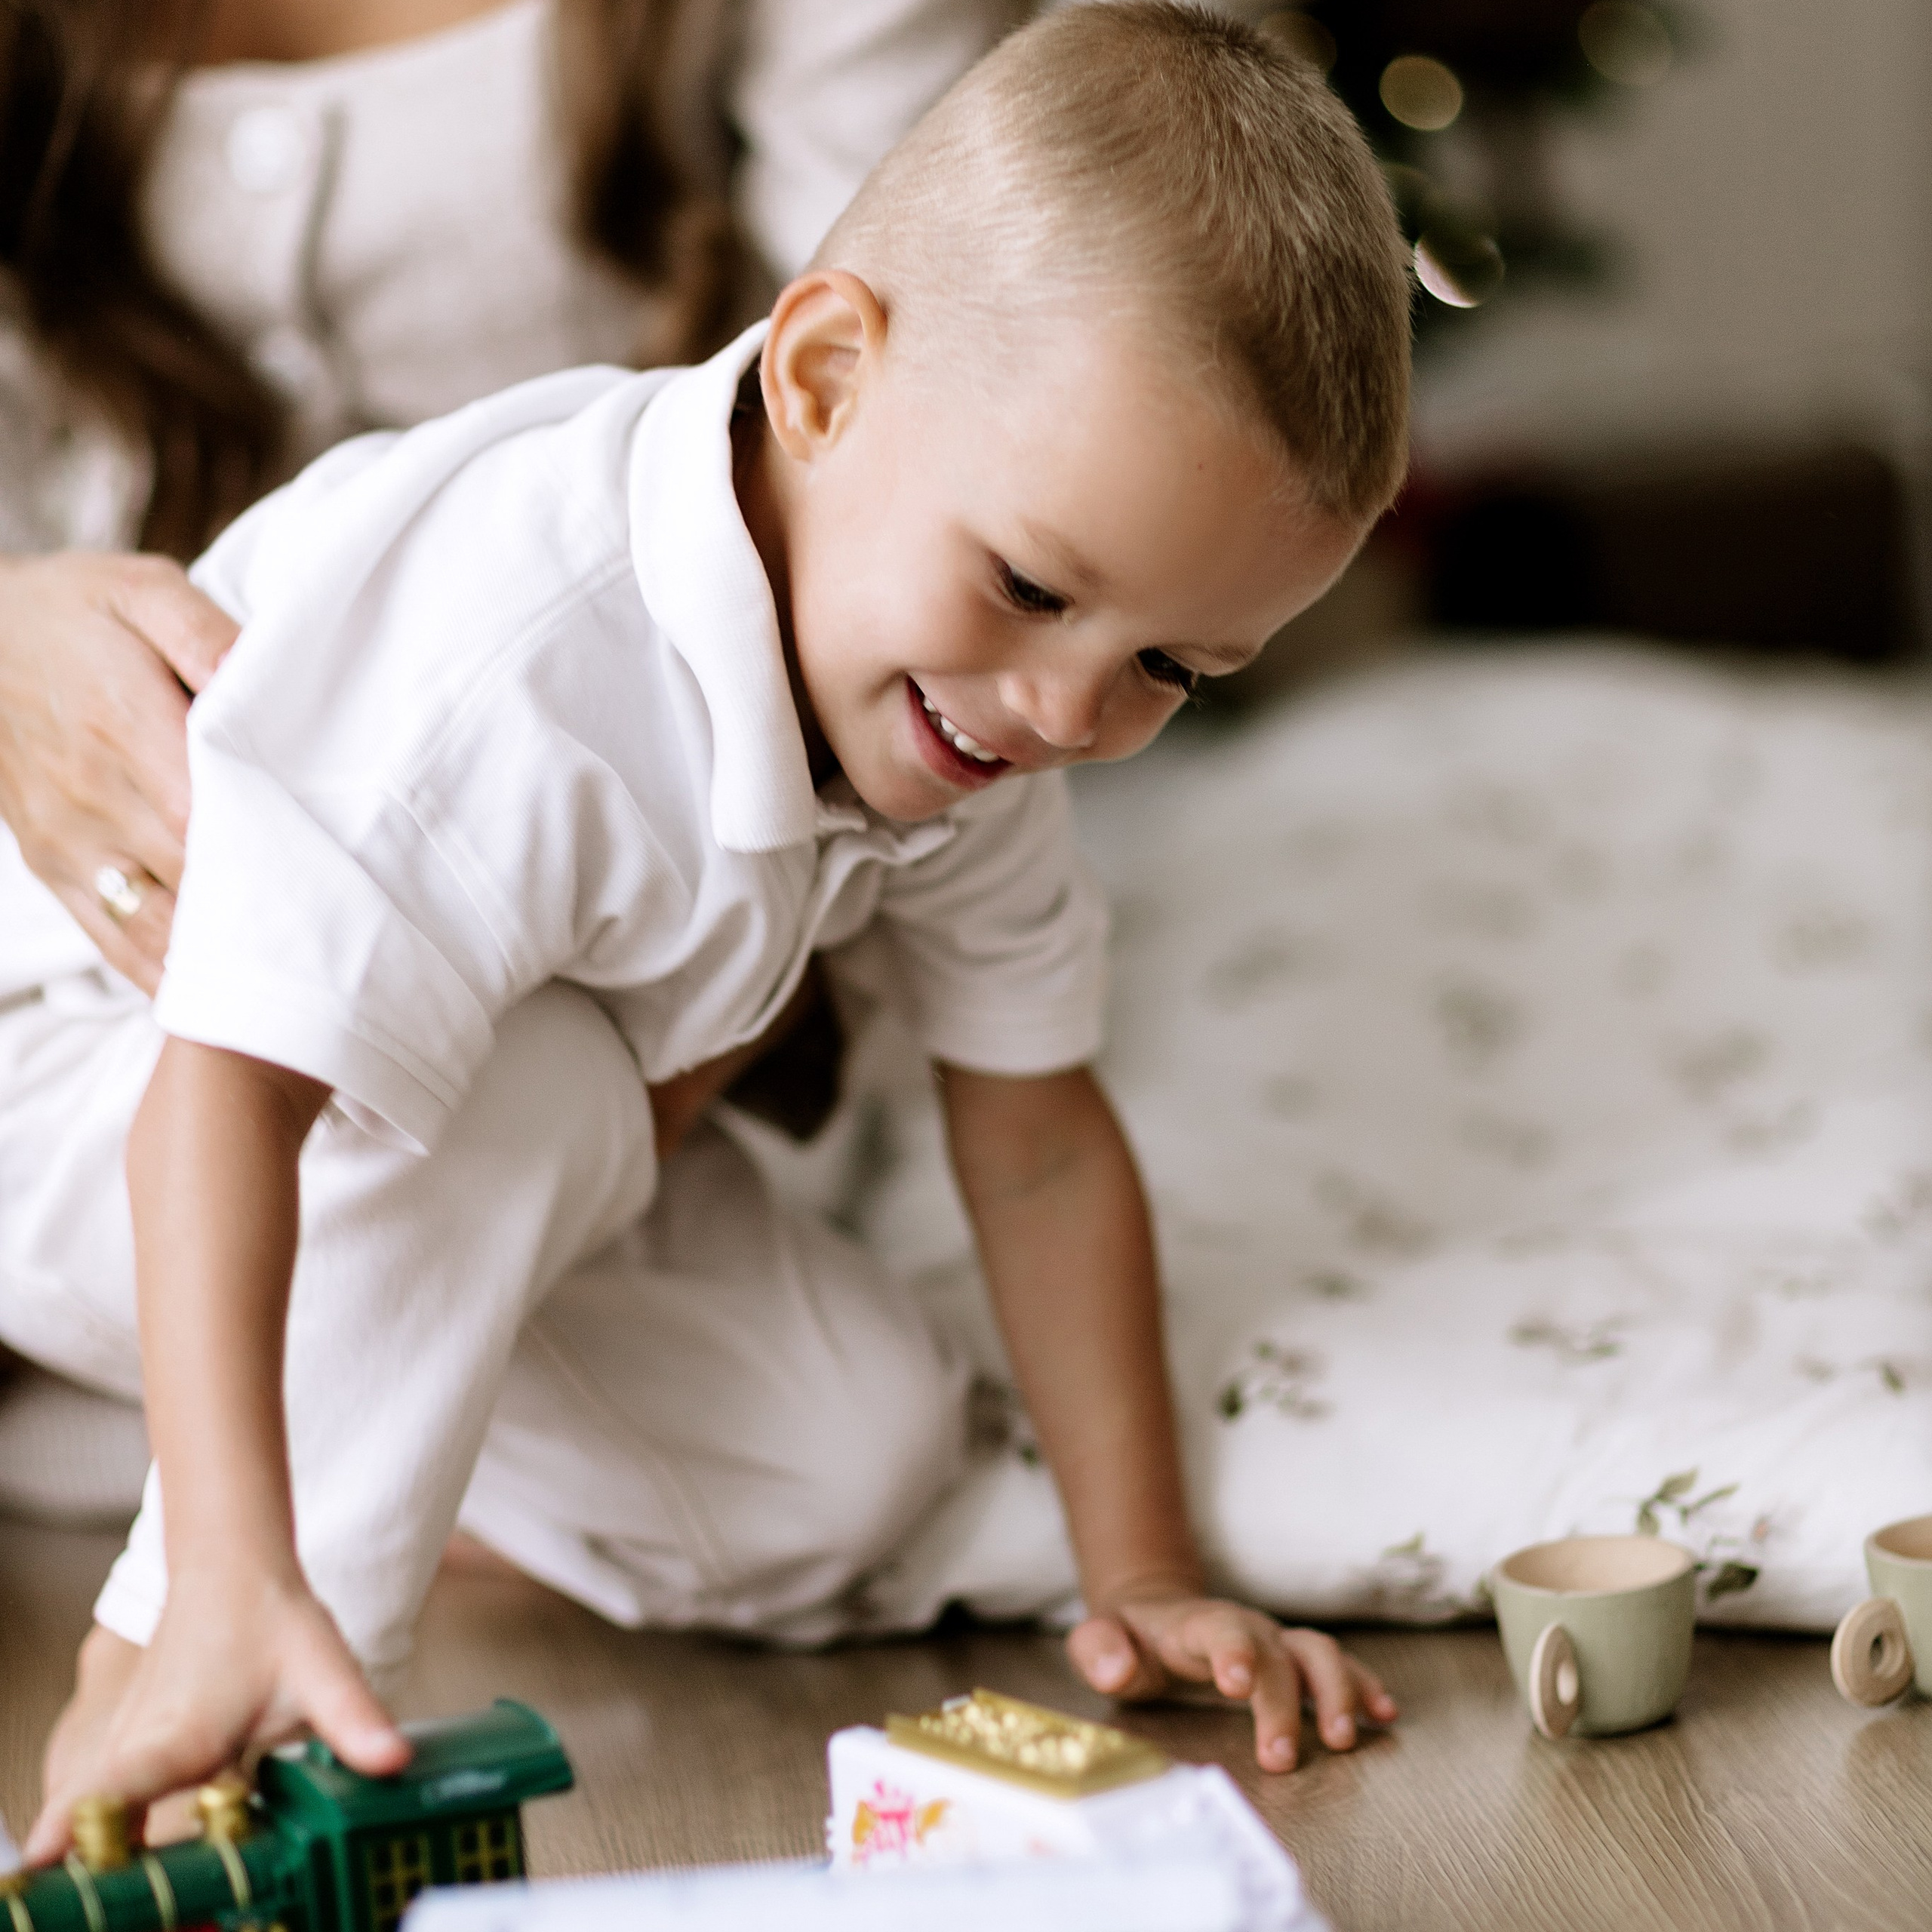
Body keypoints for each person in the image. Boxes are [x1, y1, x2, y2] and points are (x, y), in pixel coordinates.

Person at [11, 0, 1412, 1857]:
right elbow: (229, 1089)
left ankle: (213, 1429)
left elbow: (1042, 1141)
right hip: (97, 1067)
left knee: (845, 1464)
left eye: (1169, 665)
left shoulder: (986, 711)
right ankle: (170, 1684)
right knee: (542, 1096)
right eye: (1031, 585)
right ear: (824, 377)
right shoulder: (519, 645)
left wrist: (1140, 1565)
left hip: (459, 1152)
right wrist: (231, 1571)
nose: (1067, 712)